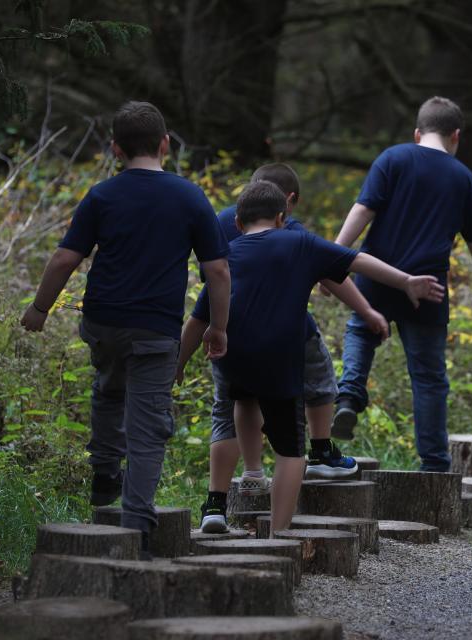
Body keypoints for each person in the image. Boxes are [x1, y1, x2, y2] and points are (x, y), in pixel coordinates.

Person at [20, 101, 231, 558]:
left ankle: (103, 470)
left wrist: (40, 308)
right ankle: (137, 529)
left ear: (115, 149)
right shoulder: (190, 197)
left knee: (109, 388)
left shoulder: (102, 195)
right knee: (148, 426)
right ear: (165, 144)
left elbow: (64, 258)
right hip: (155, 330)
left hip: (102, 322)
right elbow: (217, 271)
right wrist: (218, 327)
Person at [187, 180, 443, 534]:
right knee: (291, 451)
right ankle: (278, 534)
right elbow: (357, 260)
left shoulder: (229, 254)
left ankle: (238, 485)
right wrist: (405, 282)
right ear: (281, 217)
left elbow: (199, 317)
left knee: (242, 400)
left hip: (234, 353)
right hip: (280, 359)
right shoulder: (300, 242)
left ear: (238, 222)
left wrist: (179, 362)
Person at [331, 96, 472, 472]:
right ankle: (435, 464)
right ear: (456, 136)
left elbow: (363, 210)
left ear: (417, 133)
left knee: (361, 330)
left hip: (375, 275)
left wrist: (334, 257)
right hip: (428, 289)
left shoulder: (392, 158)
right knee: (428, 378)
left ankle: (349, 396)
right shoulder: (463, 178)